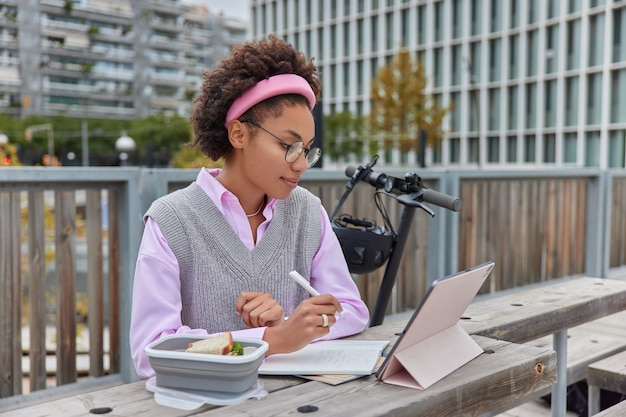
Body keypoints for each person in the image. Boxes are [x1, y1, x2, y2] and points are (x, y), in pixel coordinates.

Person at [129, 35, 370, 379]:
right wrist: (269, 340)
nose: (301, 164)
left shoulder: (307, 212)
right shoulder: (171, 221)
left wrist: (290, 324)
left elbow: (351, 311)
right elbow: (151, 351)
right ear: (239, 135)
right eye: (289, 145)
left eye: (308, 149)